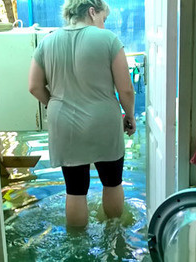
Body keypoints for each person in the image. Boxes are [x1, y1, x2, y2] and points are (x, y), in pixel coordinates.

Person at [28, 0, 136, 228]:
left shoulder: (47, 41)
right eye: (103, 19)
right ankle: (114, 233)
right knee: (112, 183)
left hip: (64, 124)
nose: (104, 25)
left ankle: (77, 242)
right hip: (103, 121)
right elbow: (125, 89)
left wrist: (54, 104)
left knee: (75, 190)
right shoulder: (108, 40)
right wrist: (130, 116)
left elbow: (34, 86)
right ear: (91, 11)